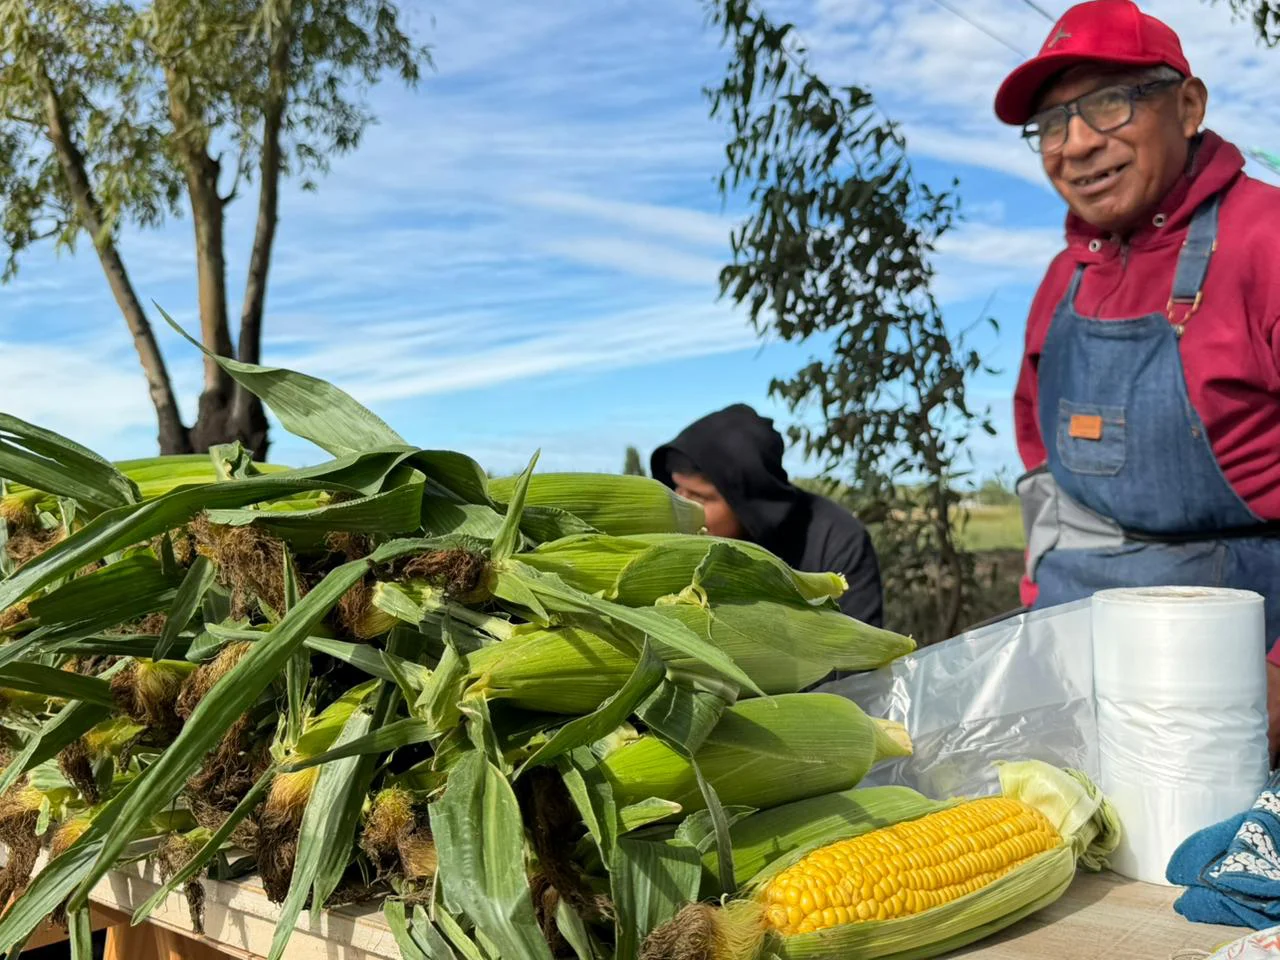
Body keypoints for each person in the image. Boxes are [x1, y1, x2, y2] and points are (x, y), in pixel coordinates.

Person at [995, 0, 1280, 753]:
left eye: (1109, 103)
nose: (1077, 143)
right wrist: (1038, 622)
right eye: (1051, 124)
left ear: (1188, 106)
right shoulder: (1062, 281)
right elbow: (1046, 487)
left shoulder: (1267, 242)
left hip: (1247, 662)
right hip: (1085, 653)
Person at [650, 403, 885, 627]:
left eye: (699, 497)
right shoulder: (682, 547)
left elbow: (858, 661)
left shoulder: (839, 542)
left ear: (746, 503)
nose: (680, 506)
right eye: (677, 490)